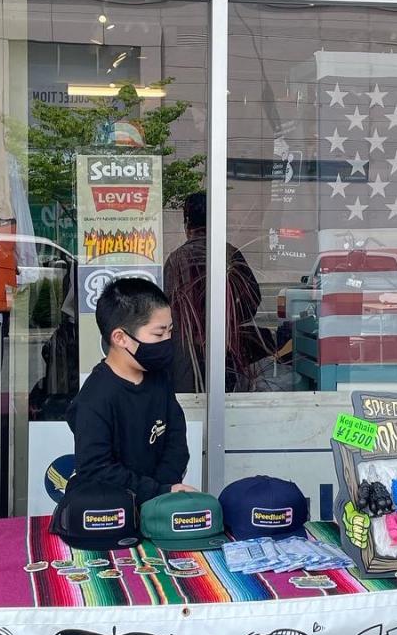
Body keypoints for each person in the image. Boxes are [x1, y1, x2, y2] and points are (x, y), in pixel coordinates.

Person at [66, 277, 193, 503]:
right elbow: (97, 469)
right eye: (158, 334)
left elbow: (176, 441)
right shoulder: (94, 398)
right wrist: (155, 491)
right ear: (120, 338)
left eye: (170, 332)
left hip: (160, 505)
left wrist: (164, 489)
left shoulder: (159, 379)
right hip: (112, 511)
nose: (167, 341)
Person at [163, 191, 266, 393]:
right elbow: (252, 300)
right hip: (227, 348)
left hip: (187, 354)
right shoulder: (230, 254)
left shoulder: (177, 259)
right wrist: (228, 323)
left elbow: (168, 310)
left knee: (191, 403)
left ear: (187, 223)